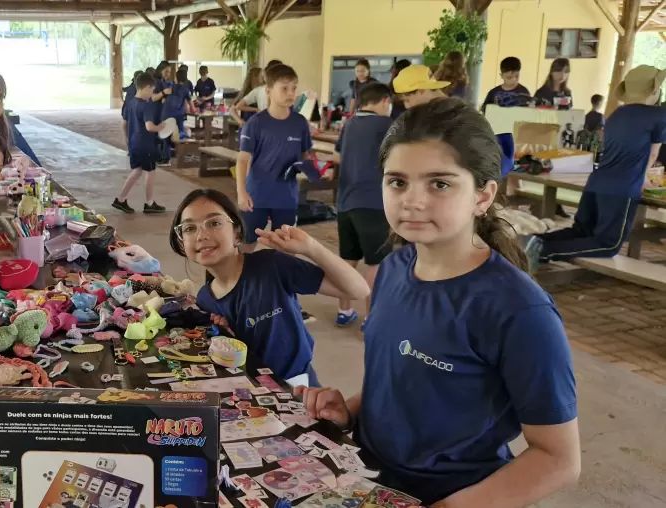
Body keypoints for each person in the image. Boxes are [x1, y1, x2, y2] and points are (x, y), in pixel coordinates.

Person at [298, 99, 580, 506]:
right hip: (366, 480)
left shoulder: (520, 311)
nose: (412, 201)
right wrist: (350, 412)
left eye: (440, 184)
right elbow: (394, 378)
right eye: (397, 182)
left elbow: (558, 459)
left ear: (483, 196)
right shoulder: (393, 269)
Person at [170, 189, 369, 385]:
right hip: (250, 391)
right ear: (182, 245)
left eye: (214, 223)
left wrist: (311, 247)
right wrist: (224, 337)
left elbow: (359, 290)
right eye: (189, 228)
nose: (201, 235)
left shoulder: (271, 266)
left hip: (300, 387)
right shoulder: (205, 299)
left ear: (237, 233)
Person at [538, 65, 666, 263]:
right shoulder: (658, 116)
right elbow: (653, 154)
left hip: (596, 182)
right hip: (622, 188)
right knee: (608, 244)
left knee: (580, 231)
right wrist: (643, 178)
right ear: (655, 90)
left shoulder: (617, 113)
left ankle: (528, 242)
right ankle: (542, 252)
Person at [332, 82, 394, 327]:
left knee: (347, 260)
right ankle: (371, 318)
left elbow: (337, 156)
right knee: (376, 264)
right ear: (385, 101)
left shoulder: (349, 124)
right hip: (373, 203)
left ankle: (344, 310)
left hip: (346, 201)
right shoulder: (387, 125)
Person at [235, 64, 320, 243]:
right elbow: (242, 160)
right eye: (284, 88)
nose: (291, 93)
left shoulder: (300, 123)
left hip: (286, 198)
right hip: (256, 196)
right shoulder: (255, 123)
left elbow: (305, 155)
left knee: (285, 245)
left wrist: (312, 166)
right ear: (268, 91)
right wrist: (241, 192)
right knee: (246, 244)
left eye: (294, 88)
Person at [112, 72, 166, 214]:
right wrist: (161, 127)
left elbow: (124, 124)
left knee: (136, 171)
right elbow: (149, 127)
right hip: (146, 144)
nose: (152, 93)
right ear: (146, 87)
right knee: (150, 172)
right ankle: (149, 203)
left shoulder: (130, 103)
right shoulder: (146, 106)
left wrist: (127, 139)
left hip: (134, 143)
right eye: (152, 90)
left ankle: (121, 199)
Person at [231, 60, 283, 126]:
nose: (262, 78)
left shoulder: (259, 90)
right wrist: (240, 121)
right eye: (260, 76)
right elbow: (234, 108)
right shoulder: (255, 91)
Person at [121, 70, 145, 143]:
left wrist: (122, 99)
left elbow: (122, 89)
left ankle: (128, 140)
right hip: (130, 108)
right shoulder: (135, 87)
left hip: (128, 108)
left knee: (129, 126)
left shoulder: (132, 86)